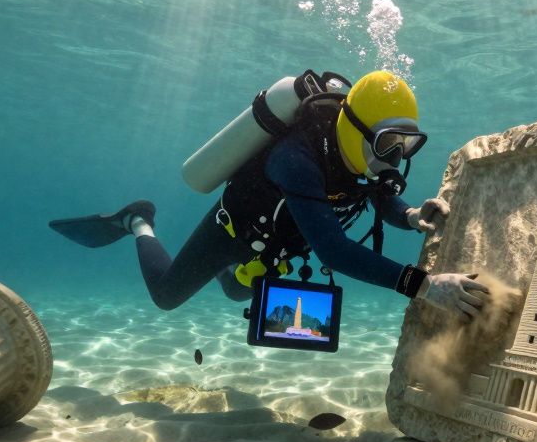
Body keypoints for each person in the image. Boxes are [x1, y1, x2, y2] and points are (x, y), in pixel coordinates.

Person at [51, 70, 489, 321]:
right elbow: (334, 251)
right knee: (166, 296)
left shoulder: (358, 153)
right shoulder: (294, 158)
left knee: (239, 294)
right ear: (354, 130)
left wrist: (410, 215)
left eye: (407, 146)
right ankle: (138, 221)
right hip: (235, 229)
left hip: (281, 240)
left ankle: (228, 272)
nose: (395, 159)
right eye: (388, 144)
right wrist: (425, 286)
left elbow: (377, 194)